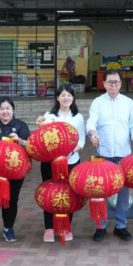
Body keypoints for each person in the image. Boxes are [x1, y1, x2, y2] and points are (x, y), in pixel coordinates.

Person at [86, 70, 133, 242]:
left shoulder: (128, 102)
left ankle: (121, 225)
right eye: (110, 82)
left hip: (123, 154)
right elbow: (91, 121)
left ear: (120, 83)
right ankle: (100, 226)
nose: (113, 85)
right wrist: (92, 133)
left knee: (123, 193)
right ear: (104, 84)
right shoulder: (97, 102)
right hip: (103, 155)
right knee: (100, 192)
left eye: (117, 82)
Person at [36, 84, 86, 243]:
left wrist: (70, 152)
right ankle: (49, 228)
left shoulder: (77, 117)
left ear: (73, 98)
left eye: (69, 96)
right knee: (49, 192)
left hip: (71, 161)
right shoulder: (50, 115)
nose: (66, 98)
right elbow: (43, 133)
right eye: (63, 95)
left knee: (68, 193)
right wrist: (40, 122)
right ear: (57, 98)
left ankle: (66, 226)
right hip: (50, 163)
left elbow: (81, 140)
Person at [0, 97, 31, 243]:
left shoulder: (21, 125)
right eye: (2, 109)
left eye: (8, 108)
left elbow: (30, 146)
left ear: (13, 110)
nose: (5, 111)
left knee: (11, 200)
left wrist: (20, 140)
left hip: (15, 172)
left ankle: (8, 229)